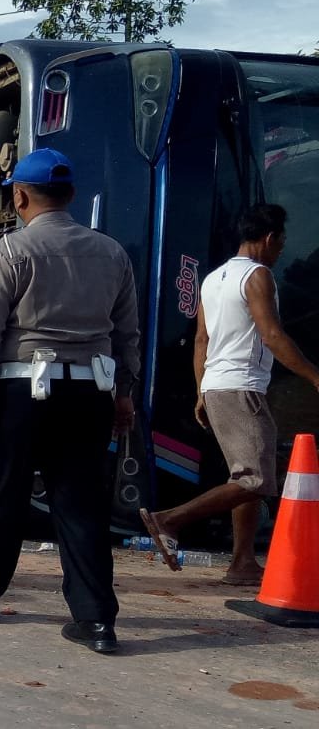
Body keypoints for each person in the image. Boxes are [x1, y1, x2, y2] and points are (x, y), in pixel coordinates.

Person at [0, 148, 140, 655]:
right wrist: (124, 395)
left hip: (21, 390)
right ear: (70, 197)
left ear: (20, 195)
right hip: (90, 389)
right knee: (81, 502)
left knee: (2, 493)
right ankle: (95, 622)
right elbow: (126, 334)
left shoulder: (10, 251)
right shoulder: (112, 253)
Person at [141, 204, 319, 586]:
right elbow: (272, 336)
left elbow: (201, 340)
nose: (282, 249)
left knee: (243, 476)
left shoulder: (213, 278)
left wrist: (202, 390)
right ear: (269, 238)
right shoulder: (259, 276)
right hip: (243, 387)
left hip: (219, 386)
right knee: (257, 479)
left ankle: (242, 563)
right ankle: (167, 520)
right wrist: (314, 376)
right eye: (282, 241)